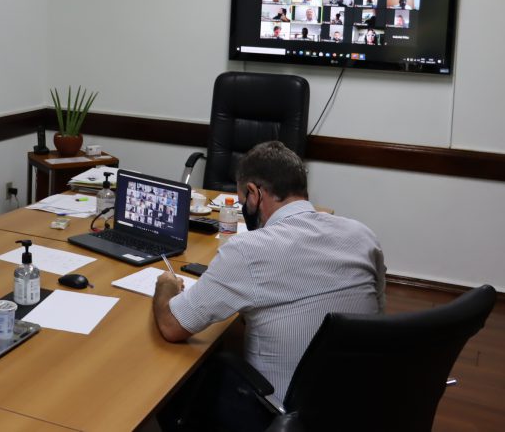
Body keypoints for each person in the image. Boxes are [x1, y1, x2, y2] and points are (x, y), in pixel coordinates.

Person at [153, 142, 385, 431]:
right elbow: (377, 315)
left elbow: (172, 326)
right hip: (362, 402)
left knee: (180, 384)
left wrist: (166, 285)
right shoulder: (363, 236)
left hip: (282, 416)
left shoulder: (249, 250)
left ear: (254, 192)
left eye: (242, 201)